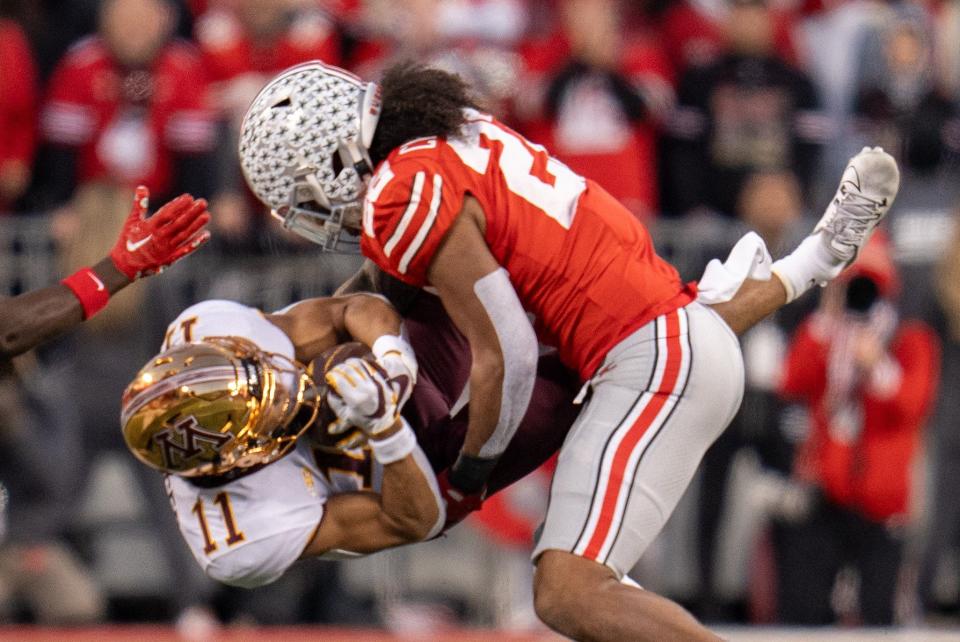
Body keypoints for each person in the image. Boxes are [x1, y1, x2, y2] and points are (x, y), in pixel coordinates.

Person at [238, 61, 899, 641]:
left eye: (302, 195)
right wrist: (265, 338)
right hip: (670, 332)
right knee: (584, 575)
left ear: (329, 161)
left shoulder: (399, 195)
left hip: (650, 365)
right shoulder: (445, 140)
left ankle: (810, 262)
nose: (311, 213)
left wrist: (470, 474)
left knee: (569, 591)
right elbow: (376, 298)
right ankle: (813, 261)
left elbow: (509, 353)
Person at [120, 292, 580, 587]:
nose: (284, 386)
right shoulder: (242, 538)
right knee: (567, 390)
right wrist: (386, 429)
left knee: (445, 285)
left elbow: (348, 309)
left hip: (392, 394)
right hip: (405, 479)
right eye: (268, 407)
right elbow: (411, 522)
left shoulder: (207, 329)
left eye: (262, 373)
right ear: (234, 457)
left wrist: (394, 361)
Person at [775, 234, 939, 624]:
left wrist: (876, 364)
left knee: (879, 614)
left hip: (882, 502)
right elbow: (791, 382)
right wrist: (826, 323)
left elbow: (912, 406)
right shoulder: (823, 336)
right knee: (806, 611)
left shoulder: (910, 341)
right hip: (825, 494)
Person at [0, 186, 209, 360]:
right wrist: (118, 268)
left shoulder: (59, 275)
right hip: (137, 394)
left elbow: (20, 337)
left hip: (63, 400)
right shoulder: (154, 285)